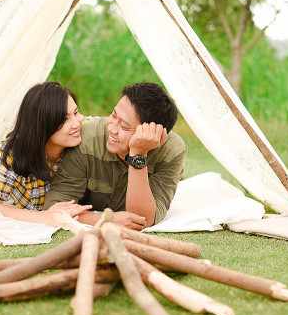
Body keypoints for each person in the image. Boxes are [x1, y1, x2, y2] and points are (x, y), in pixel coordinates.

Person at [43, 82, 186, 230]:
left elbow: (142, 219)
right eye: (113, 115)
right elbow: (55, 208)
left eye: (123, 126)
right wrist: (106, 220)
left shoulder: (172, 152)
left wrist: (138, 154)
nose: (111, 127)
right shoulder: (86, 140)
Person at [0, 81, 92, 226]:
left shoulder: (83, 131)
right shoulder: (13, 156)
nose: (77, 123)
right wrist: (44, 217)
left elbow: (109, 126)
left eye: (76, 112)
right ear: (43, 126)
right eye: (64, 119)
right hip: (4, 186)